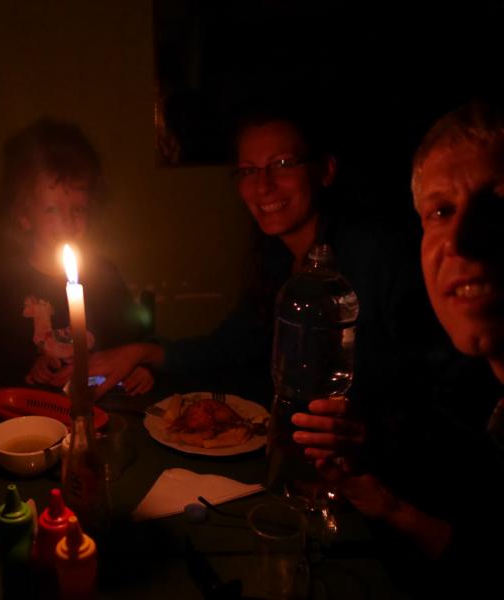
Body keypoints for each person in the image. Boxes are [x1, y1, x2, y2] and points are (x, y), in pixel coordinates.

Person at [89, 107, 439, 416]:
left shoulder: (375, 255)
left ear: (325, 170)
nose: (263, 186)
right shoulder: (277, 262)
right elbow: (232, 346)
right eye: (248, 170)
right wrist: (144, 352)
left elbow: (427, 383)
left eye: (283, 164)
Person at [298, 99, 504, 594]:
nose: (460, 240)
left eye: (497, 205)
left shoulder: (368, 256)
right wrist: (388, 503)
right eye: (440, 211)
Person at [0, 117, 152, 393]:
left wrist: (141, 369)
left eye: (78, 210)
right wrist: (28, 364)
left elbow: (134, 338)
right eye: (52, 210)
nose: (67, 222)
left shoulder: (104, 277)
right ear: (24, 215)